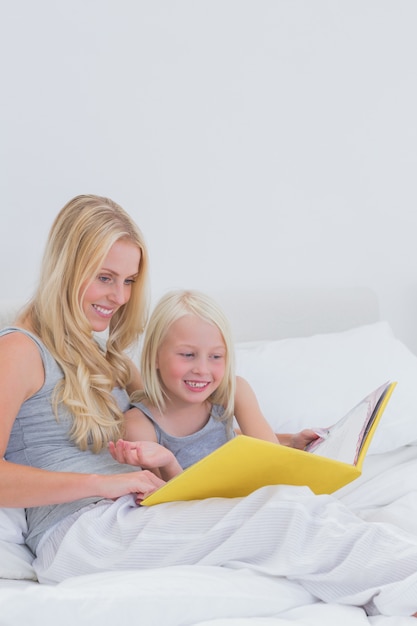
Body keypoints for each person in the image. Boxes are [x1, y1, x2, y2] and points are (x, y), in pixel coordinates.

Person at [1, 194, 417, 618]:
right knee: (285, 514)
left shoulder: (102, 354)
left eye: (128, 281)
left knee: (303, 508)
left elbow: (182, 414)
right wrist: (103, 484)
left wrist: (285, 442)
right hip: (79, 533)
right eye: (105, 277)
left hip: (135, 511)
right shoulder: (19, 350)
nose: (120, 296)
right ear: (66, 269)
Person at [108, 289, 318, 480]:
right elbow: (167, 503)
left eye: (216, 356)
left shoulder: (232, 393)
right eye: (188, 354)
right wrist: (170, 463)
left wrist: (291, 444)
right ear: (154, 356)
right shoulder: (139, 427)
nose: (202, 369)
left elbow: (273, 460)